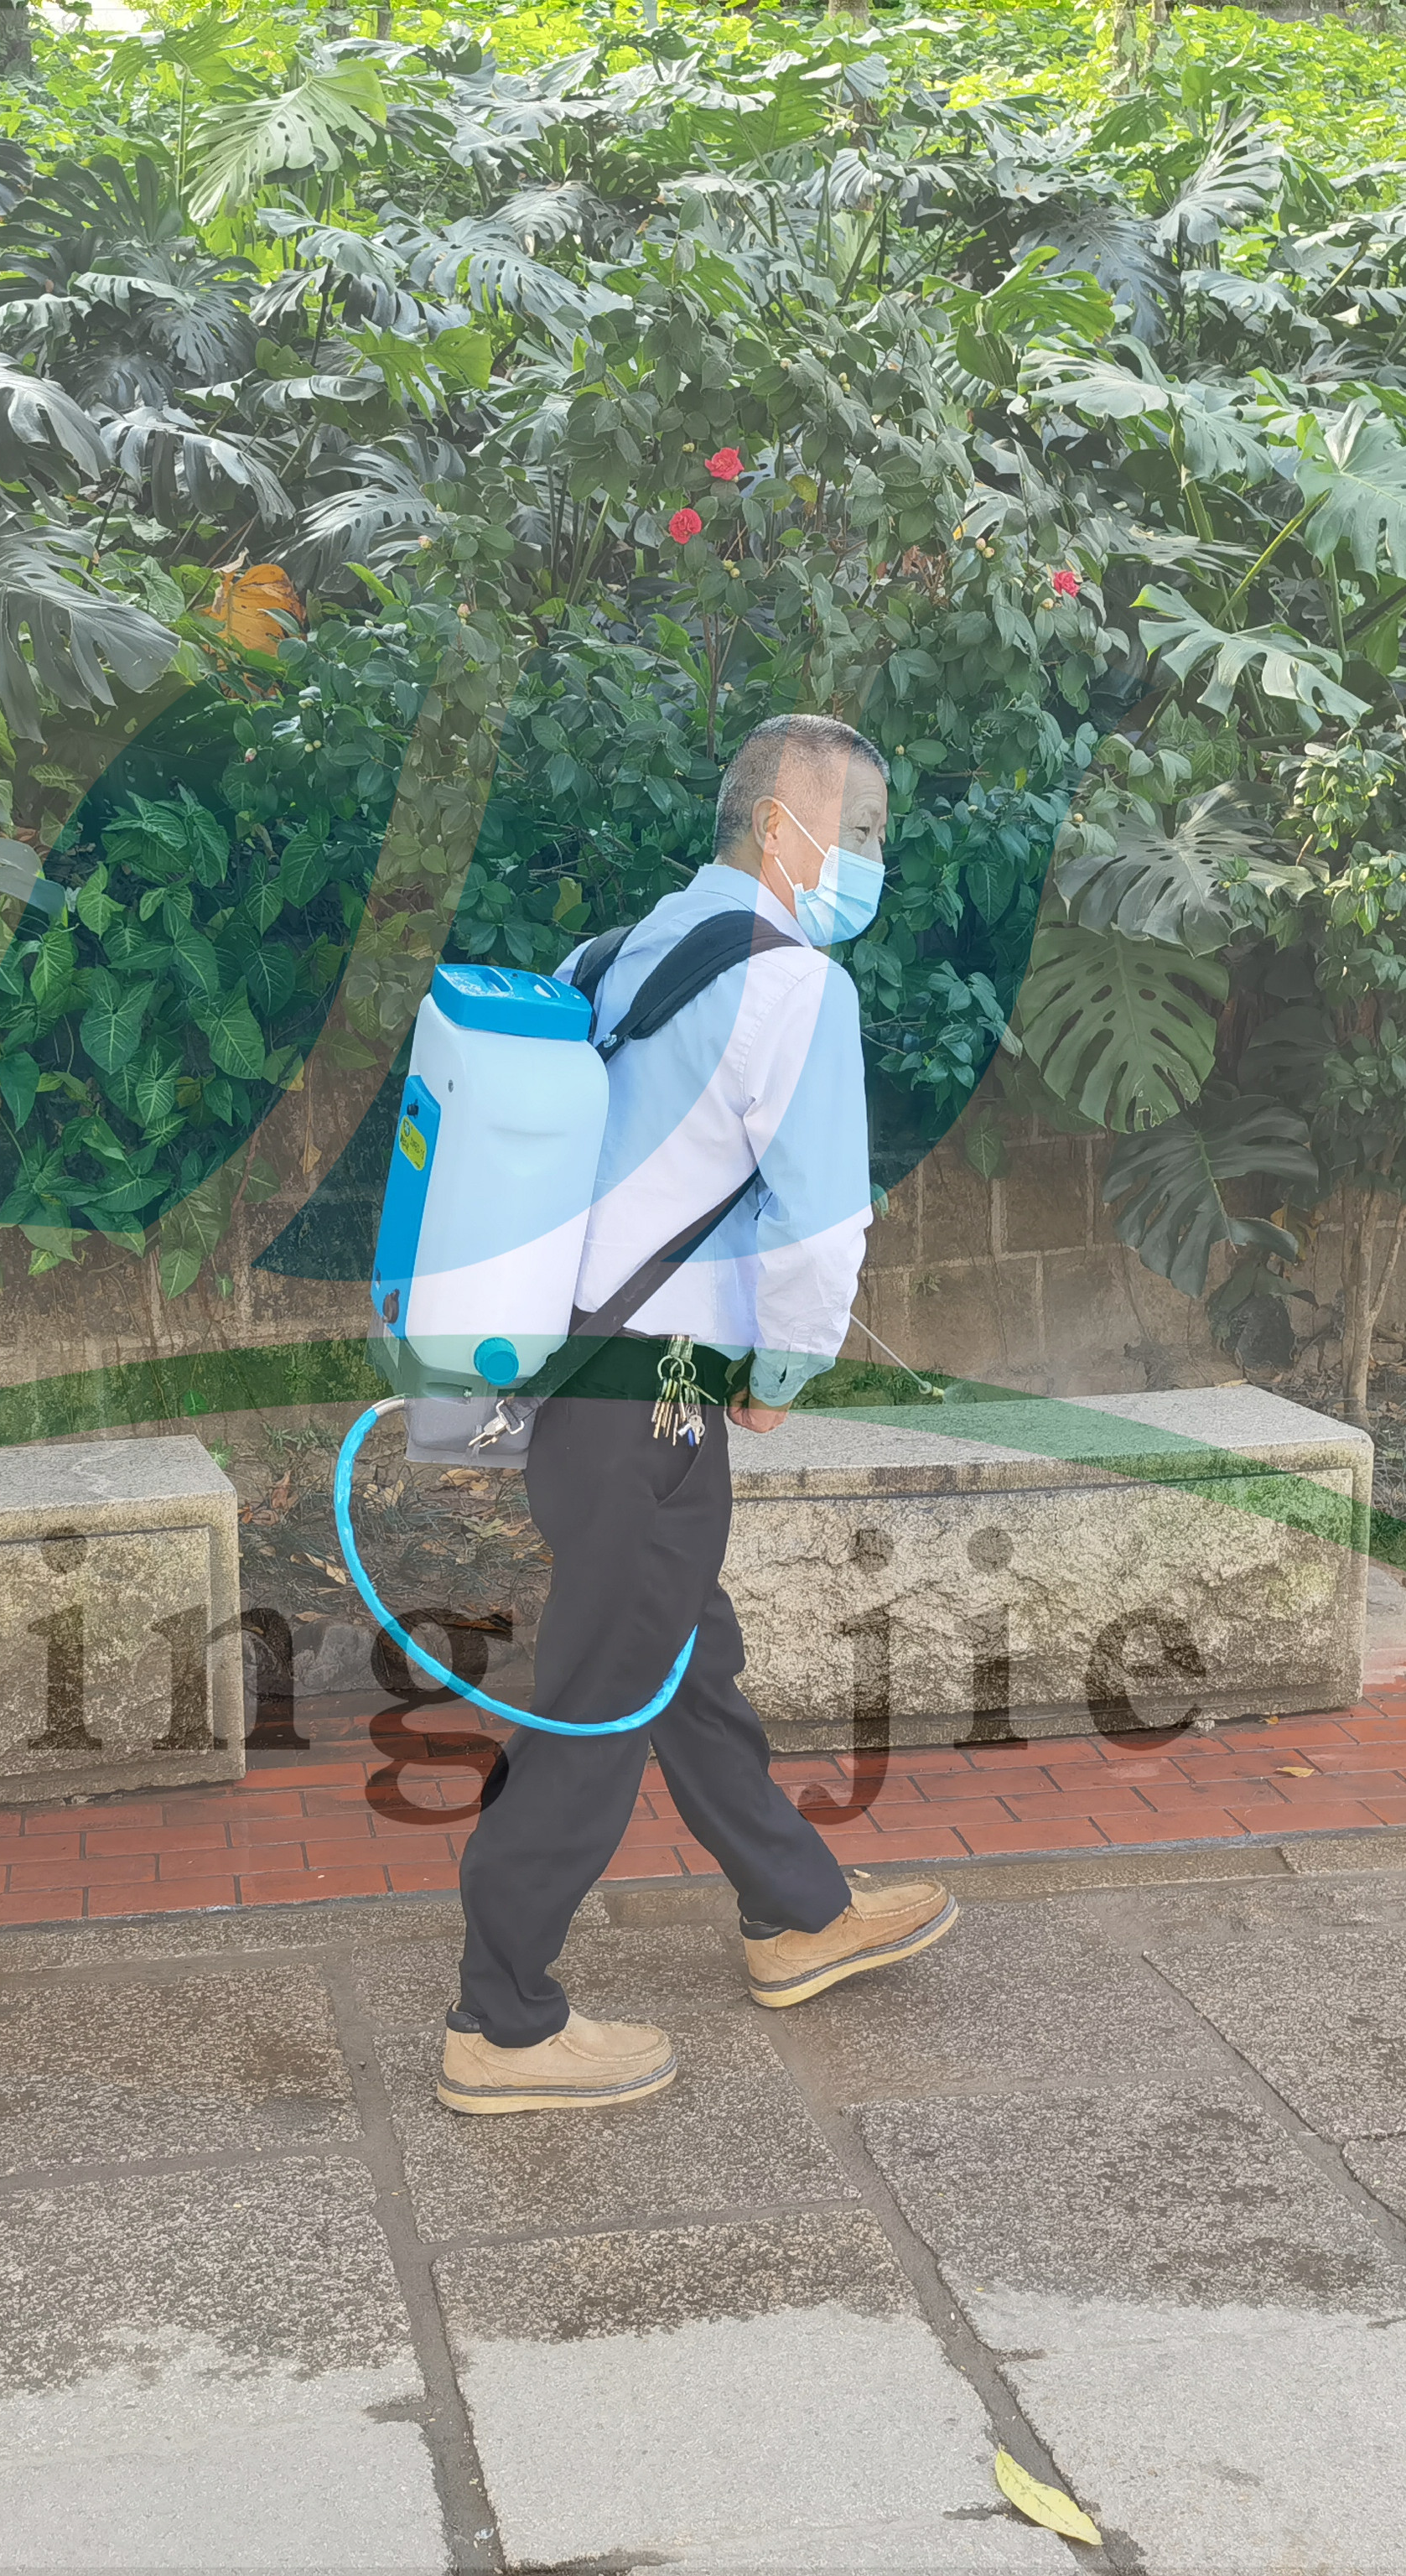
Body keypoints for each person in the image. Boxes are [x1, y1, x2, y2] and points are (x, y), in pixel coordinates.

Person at [436, 713, 958, 2118]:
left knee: (684, 1655)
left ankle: (798, 1910)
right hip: (657, 1390)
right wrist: (782, 1375)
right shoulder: (795, 986)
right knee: (604, 1690)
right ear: (786, 826)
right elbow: (820, 1226)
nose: (870, 860)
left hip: (579, 1374)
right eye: (861, 833)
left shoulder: (612, 954)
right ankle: (502, 2020)